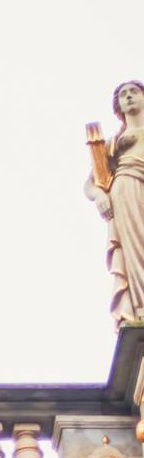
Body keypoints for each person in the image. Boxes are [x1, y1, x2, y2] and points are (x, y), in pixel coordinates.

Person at [87, 81, 144, 326]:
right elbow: (90, 184)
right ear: (118, 105)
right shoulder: (114, 143)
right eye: (123, 94)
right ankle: (140, 306)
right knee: (136, 252)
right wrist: (100, 196)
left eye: (134, 92)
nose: (129, 97)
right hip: (125, 196)